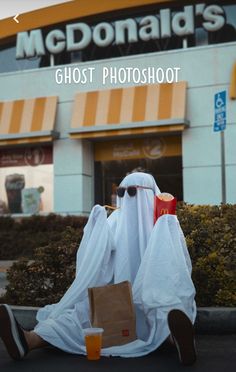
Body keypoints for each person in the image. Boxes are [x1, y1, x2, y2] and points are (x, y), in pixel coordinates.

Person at [0, 172, 196, 365]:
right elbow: (175, 268)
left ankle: (176, 338)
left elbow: (171, 265)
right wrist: (96, 226)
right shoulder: (117, 221)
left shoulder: (163, 221)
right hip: (118, 301)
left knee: (85, 318)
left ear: (149, 194)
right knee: (159, 310)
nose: (127, 198)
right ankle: (27, 340)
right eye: (121, 193)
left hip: (122, 303)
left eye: (132, 193)